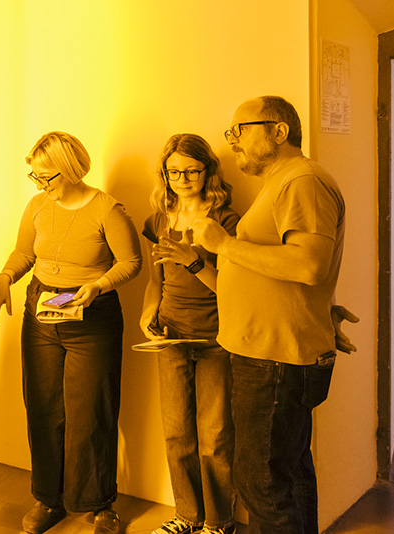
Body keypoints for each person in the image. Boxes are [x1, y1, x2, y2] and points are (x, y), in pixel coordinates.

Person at [190, 96, 346, 534]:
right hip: (272, 353)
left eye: (239, 130)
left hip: (274, 361)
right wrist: (322, 311)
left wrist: (223, 244)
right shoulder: (284, 182)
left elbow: (309, 264)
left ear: (279, 131)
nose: (232, 141)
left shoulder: (302, 180)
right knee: (289, 475)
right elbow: (291, 271)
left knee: (261, 482)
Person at [0, 131, 142, 534]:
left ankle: (99, 503)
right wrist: (5, 278)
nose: (40, 185)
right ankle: (48, 499)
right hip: (41, 310)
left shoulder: (106, 209)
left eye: (47, 177)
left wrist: (98, 286)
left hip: (92, 316)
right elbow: (24, 252)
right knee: (43, 408)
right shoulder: (37, 206)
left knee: (92, 412)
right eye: (35, 177)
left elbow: (131, 262)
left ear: (71, 170)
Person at [140, 134, 239, 534]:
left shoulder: (226, 222)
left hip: (216, 339)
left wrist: (193, 260)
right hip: (171, 337)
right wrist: (148, 313)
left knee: (214, 437)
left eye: (191, 171)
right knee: (177, 433)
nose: (182, 179)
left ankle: (220, 521)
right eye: (174, 172)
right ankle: (188, 515)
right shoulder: (158, 221)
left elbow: (231, 290)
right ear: (164, 174)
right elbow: (155, 281)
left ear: (207, 171)